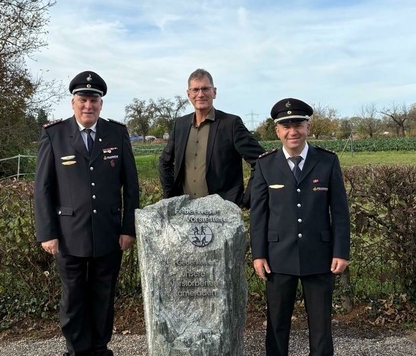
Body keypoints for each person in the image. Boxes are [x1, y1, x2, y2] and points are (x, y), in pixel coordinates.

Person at [34, 70, 139, 356]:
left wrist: (128, 228)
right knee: (73, 298)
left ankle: (100, 349)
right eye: (83, 100)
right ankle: (77, 351)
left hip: (108, 232)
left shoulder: (117, 133)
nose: (88, 106)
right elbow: (43, 188)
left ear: (101, 104)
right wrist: (47, 232)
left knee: (103, 296)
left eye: (94, 100)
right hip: (69, 234)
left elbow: (131, 185)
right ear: (73, 102)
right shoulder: (54, 135)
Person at [250, 98, 351, 356]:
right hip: (278, 256)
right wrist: (258, 254)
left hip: (319, 255)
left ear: (308, 127)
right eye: (286, 126)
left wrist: (341, 251)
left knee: (321, 326)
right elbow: (259, 214)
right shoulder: (265, 164)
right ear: (277, 131)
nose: (292, 131)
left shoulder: (327, 161)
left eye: (298, 125)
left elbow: (340, 211)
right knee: (276, 324)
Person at [158, 68, 265, 207]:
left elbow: (261, 160)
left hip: (221, 211)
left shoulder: (230, 124)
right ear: (189, 94)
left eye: (205, 89)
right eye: (195, 90)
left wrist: (246, 199)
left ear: (214, 92)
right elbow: (164, 162)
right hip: (186, 211)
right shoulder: (180, 125)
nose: (200, 94)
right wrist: (171, 198)